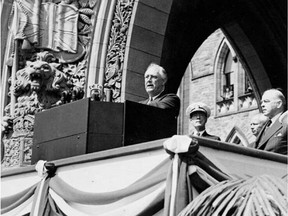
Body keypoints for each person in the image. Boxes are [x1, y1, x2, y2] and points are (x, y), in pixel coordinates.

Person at [253, 89, 287, 154]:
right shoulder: (266, 125)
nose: (262, 105)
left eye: (266, 101)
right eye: (261, 102)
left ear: (279, 104)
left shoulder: (285, 123)